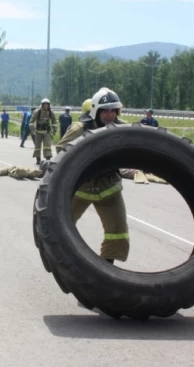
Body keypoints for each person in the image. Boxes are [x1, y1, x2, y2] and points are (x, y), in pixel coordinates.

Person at [55, 87, 129, 265]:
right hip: (81, 188)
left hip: (109, 188)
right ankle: (63, 261)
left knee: (118, 232)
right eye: (105, 110)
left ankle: (107, 268)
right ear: (96, 110)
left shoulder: (124, 129)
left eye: (113, 110)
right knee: (60, 226)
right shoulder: (81, 129)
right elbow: (61, 149)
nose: (110, 115)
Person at [29, 98, 57, 165]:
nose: (46, 106)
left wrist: (54, 130)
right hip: (38, 132)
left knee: (47, 145)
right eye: (45, 104)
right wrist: (32, 130)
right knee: (37, 146)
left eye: (47, 104)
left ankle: (48, 159)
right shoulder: (37, 112)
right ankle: (38, 159)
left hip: (47, 131)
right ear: (42, 105)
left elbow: (54, 122)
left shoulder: (50, 112)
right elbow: (31, 122)